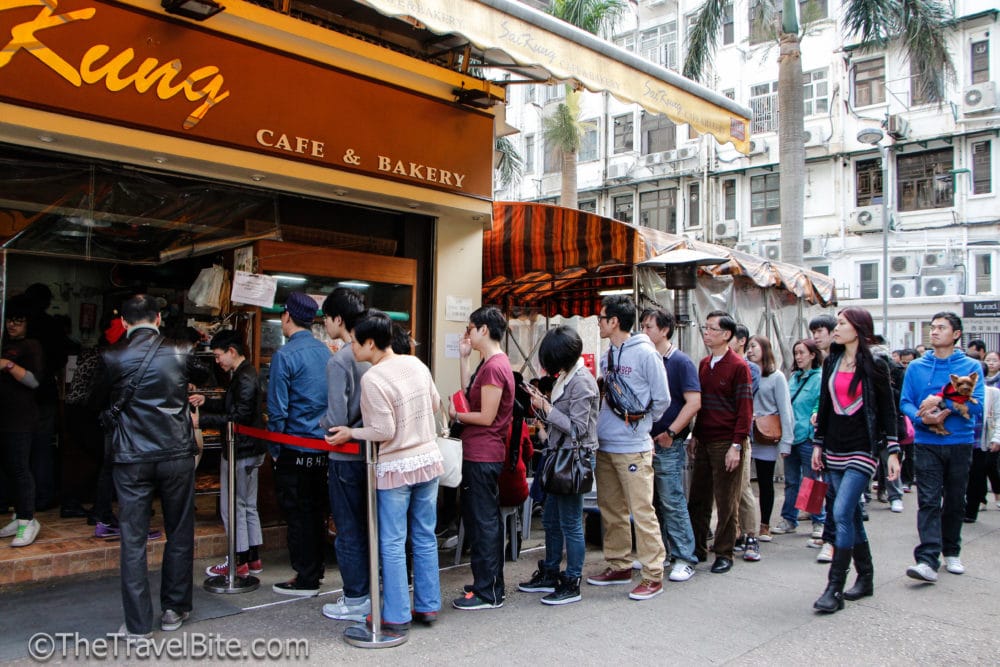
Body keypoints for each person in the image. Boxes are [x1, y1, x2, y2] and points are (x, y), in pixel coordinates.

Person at [91, 294, 207, 636]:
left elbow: (95, 401)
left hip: (131, 457)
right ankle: (174, 609)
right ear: (158, 318)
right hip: (175, 453)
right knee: (180, 531)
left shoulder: (111, 355)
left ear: (124, 323)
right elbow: (204, 373)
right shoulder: (180, 350)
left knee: (133, 537)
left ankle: (138, 624)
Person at [327, 310, 444, 637]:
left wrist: (352, 434)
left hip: (396, 467)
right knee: (424, 534)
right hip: (428, 460)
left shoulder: (374, 378)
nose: (351, 348)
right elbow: (435, 404)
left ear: (369, 343)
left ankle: (394, 614)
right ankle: (428, 604)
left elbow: (383, 429)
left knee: (392, 541)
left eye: (353, 343)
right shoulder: (416, 363)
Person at [810, 307, 900, 613]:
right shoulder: (832, 362)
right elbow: (824, 405)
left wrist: (893, 450)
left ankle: (834, 588)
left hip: (862, 449)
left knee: (841, 510)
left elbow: (888, 409)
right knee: (848, 515)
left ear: (858, 329)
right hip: (834, 447)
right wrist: (819, 443)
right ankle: (866, 577)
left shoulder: (876, 364)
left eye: (841, 324)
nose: (835, 329)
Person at [585, 295, 669, 601]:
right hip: (606, 445)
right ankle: (619, 563)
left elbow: (662, 399)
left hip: (633, 446)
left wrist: (640, 425)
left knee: (642, 511)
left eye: (601, 318)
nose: (598, 323)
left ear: (614, 322)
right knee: (611, 508)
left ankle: (653, 574)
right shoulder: (608, 355)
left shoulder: (646, 353)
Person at [517, 326, 599, 605]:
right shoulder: (567, 376)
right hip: (558, 455)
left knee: (571, 522)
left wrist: (547, 408)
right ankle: (551, 571)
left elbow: (577, 428)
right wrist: (542, 405)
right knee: (551, 518)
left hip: (573, 458)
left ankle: (572, 580)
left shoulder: (583, 383)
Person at [900, 312, 984, 583]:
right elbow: (905, 402)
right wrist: (921, 417)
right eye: (932, 327)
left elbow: (978, 405)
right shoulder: (916, 367)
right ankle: (927, 559)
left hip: (959, 442)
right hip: (926, 442)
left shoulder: (971, 366)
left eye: (941, 328)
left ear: (956, 334)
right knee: (927, 500)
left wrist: (942, 401)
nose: (934, 332)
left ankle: (952, 551)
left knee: (955, 500)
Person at [450, 305, 514, 610]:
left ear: (483, 330)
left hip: (482, 452)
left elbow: (486, 416)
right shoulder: (490, 363)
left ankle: (488, 591)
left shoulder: (494, 366)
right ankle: (488, 585)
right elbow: (469, 395)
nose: (467, 335)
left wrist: (458, 415)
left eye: (469, 329)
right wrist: (463, 360)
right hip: (483, 451)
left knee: (483, 521)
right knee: (483, 521)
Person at [267, 291, 331, 597]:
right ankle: (315, 570)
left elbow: (278, 410)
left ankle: (305, 577)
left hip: (294, 446)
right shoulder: (326, 352)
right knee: (316, 512)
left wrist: (276, 452)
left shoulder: (285, 355)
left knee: (297, 515)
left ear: (287, 316)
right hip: (324, 447)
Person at [189, 330, 266, 578]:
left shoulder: (244, 378)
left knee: (232, 506)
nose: (218, 361)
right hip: (251, 448)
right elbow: (232, 406)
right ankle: (253, 557)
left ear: (232, 351)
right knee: (248, 505)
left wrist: (201, 421)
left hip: (240, 449)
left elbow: (237, 417)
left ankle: (237, 559)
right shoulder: (245, 373)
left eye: (219, 355)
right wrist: (206, 401)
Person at [317, 288, 371, 623]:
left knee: (348, 529)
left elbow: (336, 418)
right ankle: (370, 591)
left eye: (326, 318)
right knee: (369, 526)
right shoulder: (374, 353)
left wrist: (319, 422)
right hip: (373, 452)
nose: (324, 324)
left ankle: (355, 597)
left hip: (345, 457)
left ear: (338, 320)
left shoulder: (341, 360)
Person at [689, 310, 753, 575]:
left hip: (727, 441)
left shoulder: (739, 366)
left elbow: (745, 409)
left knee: (727, 500)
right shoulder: (704, 364)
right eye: (705, 328)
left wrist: (737, 445)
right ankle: (696, 548)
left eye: (712, 329)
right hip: (704, 438)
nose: (706, 332)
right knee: (698, 498)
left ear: (727, 335)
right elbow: (700, 405)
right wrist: (695, 435)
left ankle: (724, 552)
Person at [640, 308, 701, 583]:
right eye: (642, 326)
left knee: (671, 499)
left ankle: (685, 557)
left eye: (649, 327)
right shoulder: (647, 358)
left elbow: (694, 402)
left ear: (664, 330)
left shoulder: (680, 362)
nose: (644, 332)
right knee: (652, 502)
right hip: (646, 441)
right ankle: (661, 553)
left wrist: (672, 432)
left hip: (667, 442)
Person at [0, 295, 44, 547]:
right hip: (4, 416)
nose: (12, 325)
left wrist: (7, 365)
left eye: (18, 321)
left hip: (22, 417)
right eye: (9, 321)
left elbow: (34, 381)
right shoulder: (5, 342)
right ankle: (18, 515)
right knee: (8, 469)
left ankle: (28, 520)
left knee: (20, 467)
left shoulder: (31, 346)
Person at [772, 339, 823, 540]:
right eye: (796, 353)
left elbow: (821, 402)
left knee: (812, 481)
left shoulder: (820, 378)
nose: (798, 357)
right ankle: (789, 519)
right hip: (791, 436)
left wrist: (816, 416)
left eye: (802, 353)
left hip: (808, 437)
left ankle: (819, 521)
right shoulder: (793, 378)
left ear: (812, 354)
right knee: (791, 481)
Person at [746, 335, 794, 545]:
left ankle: (765, 523)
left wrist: (787, 441)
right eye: (748, 347)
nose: (750, 350)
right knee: (743, 483)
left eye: (754, 347)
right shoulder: (745, 373)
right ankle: (744, 526)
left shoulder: (776, 377)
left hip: (766, 435)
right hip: (747, 434)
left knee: (765, 482)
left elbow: (785, 409)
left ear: (765, 349)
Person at [729, 323, 761, 558]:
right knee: (726, 490)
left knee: (743, 487)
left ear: (740, 340)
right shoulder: (711, 363)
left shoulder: (750, 369)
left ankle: (752, 535)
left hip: (740, 435)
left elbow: (741, 402)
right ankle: (736, 532)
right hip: (720, 435)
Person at [965, 384, 1000, 522]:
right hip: (959, 440)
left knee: (977, 475)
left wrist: (997, 438)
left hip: (981, 441)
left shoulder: (992, 393)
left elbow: (998, 416)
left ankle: (971, 511)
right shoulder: (955, 388)